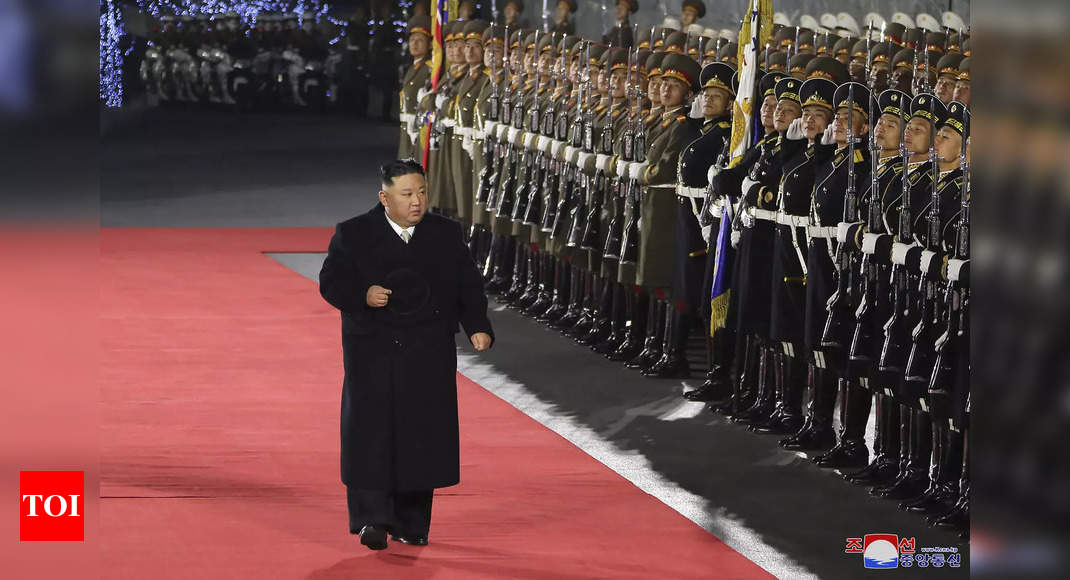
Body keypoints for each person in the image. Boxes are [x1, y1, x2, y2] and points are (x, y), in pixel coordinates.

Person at [319, 159, 495, 551]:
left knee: (422, 433)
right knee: (371, 431)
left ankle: (412, 522)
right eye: (407, 194)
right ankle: (371, 519)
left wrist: (477, 324)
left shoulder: (444, 234)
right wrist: (361, 296)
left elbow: (467, 282)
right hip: (373, 349)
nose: (417, 202)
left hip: (427, 348)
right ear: (385, 197)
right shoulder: (354, 233)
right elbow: (331, 281)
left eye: (422, 193)